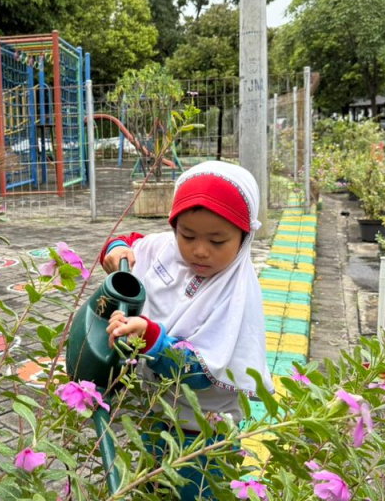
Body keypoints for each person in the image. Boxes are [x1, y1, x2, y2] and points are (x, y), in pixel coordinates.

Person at [99, 161, 273, 500]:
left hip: (202, 437)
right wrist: (116, 249)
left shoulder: (235, 294)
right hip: (153, 417)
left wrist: (151, 339)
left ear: (245, 236)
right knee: (149, 489)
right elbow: (131, 242)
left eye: (217, 240)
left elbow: (202, 371)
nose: (199, 250)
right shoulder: (164, 249)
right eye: (187, 235)